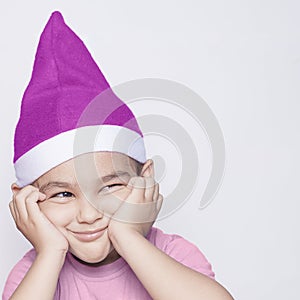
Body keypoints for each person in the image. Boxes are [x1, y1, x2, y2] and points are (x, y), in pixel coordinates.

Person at [3, 11, 233, 300]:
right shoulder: (34, 274)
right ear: (25, 201)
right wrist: (50, 253)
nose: (89, 215)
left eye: (110, 187)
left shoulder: (173, 254)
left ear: (144, 179)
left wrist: (128, 238)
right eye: (62, 194)